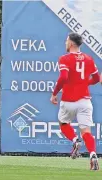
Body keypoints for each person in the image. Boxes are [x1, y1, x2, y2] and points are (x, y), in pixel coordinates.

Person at [50, 32, 100, 170]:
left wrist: (54, 93)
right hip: (85, 101)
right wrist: (84, 83)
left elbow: (63, 77)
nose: (65, 43)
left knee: (64, 123)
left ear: (71, 43)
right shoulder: (89, 59)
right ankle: (93, 154)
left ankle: (74, 140)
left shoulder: (65, 59)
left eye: (67, 40)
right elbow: (96, 79)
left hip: (68, 101)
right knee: (86, 132)